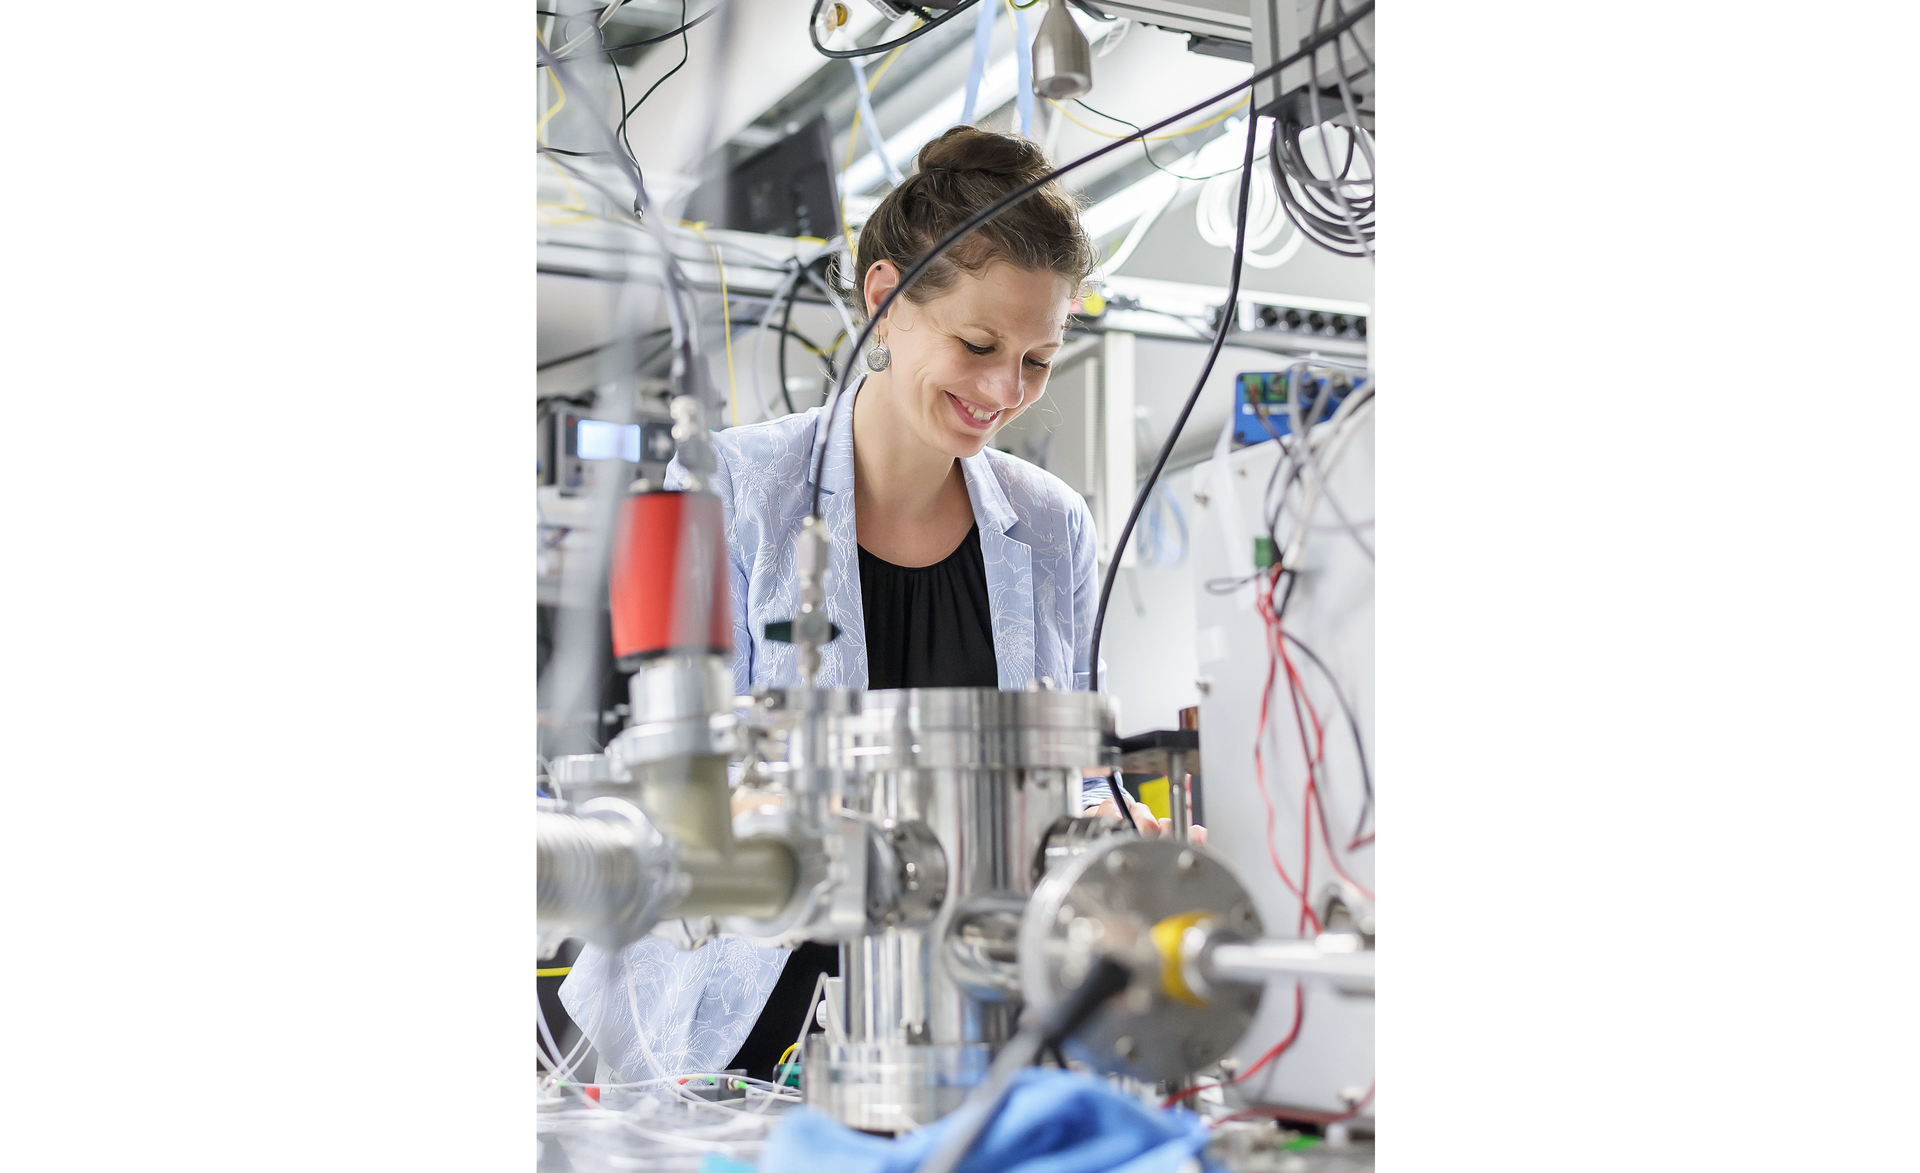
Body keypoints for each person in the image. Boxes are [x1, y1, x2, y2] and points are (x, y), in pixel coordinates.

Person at [560, 126, 1200, 1087]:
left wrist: (1117, 836)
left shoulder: (1052, 524)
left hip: (966, 1023)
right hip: (734, 1011)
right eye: (978, 344)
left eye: (1036, 359)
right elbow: (676, 778)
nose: (1002, 391)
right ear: (885, 301)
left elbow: (1071, 773)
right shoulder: (732, 488)